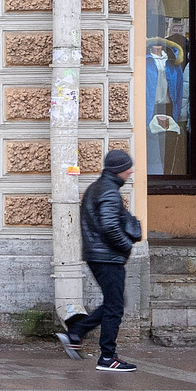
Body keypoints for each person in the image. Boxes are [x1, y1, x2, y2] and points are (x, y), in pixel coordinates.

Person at [57, 147, 141, 372]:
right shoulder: (109, 192)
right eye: (128, 167)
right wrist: (125, 247)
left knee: (114, 303)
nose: (131, 171)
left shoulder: (97, 187)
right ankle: (107, 357)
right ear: (119, 169)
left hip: (99, 255)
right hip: (108, 257)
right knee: (115, 307)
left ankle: (77, 332)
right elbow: (110, 226)